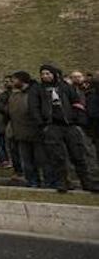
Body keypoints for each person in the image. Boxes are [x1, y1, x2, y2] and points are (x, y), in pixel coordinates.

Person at [37, 65, 98, 193]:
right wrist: (43, 124)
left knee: (78, 155)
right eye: (43, 74)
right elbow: (35, 108)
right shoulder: (39, 90)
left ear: (54, 74)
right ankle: (63, 182)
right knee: (57, 156)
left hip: (69, 125)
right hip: (52, 125)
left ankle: (86, 182)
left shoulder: (65, 88)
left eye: (48, 73)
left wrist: (78, 120)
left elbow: (77, 104)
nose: (45, 76)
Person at [4, 71, 50, 188]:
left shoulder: (35, 93)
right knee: (27, 162)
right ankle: (33, 181)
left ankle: (48, 181)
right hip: (20, 133)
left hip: (36, 132)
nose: (12, 82)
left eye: (14, 80)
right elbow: (9, 112)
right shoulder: (14, 95)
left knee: (42, 160)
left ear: (22, 80)